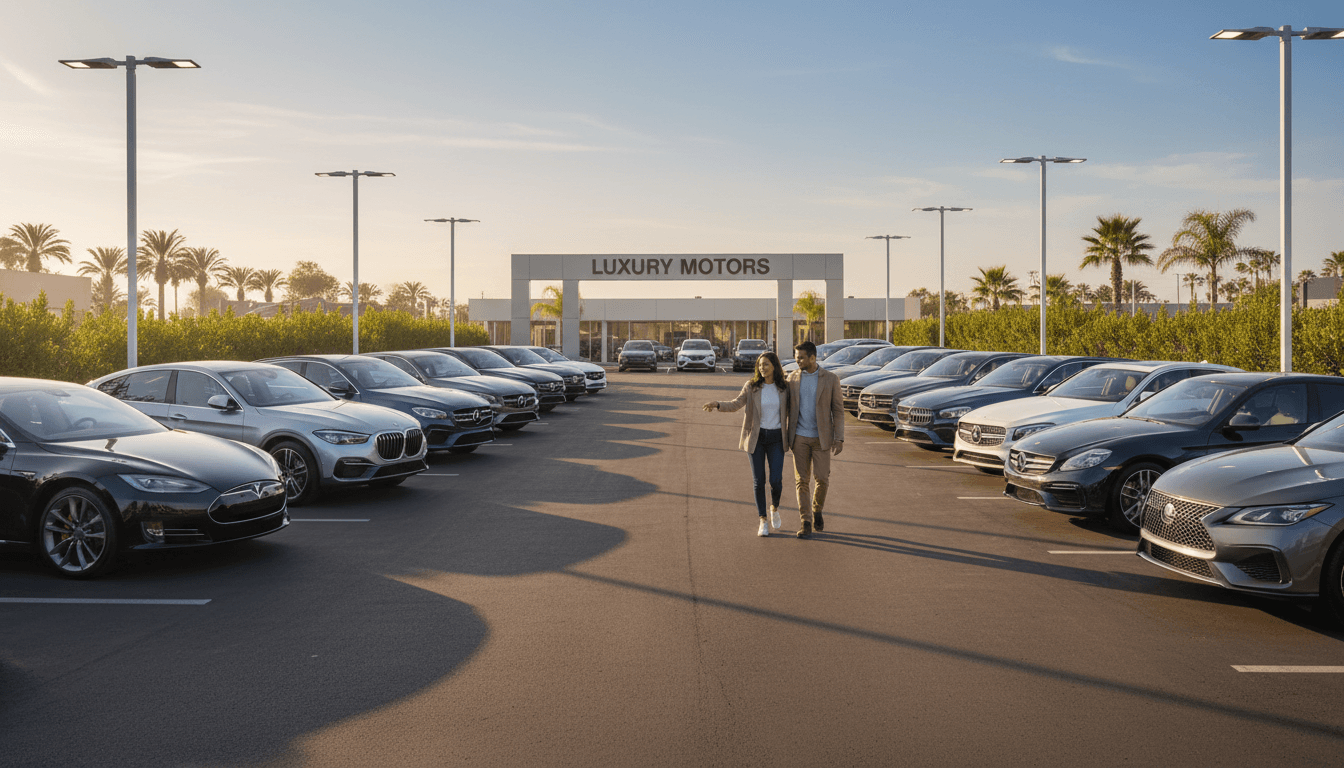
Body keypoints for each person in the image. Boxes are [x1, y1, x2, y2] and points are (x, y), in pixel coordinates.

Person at [703, 352, 792, 537]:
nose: (762, 368)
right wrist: (718, 404)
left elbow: (795, 409)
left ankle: (774, 507)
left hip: (777, 438)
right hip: (756, 438)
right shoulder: (752, 386)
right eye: (760, 365)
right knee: (759, 481)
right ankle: (763, 520)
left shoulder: (784, 388)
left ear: (774, 366)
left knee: (776, 480)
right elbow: (736, 404)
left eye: (766, 364)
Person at [785, 340, 844, 538]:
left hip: (822, 438)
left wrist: (840, 437)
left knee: (822, 479)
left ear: (812, 357)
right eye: (796, 357)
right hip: (799, 437)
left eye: (801, 357)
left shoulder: (830, 379)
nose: (798, 361)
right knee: (801, 481)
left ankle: (817, 509)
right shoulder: (791, 379)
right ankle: (806, 521)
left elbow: (838, 410)